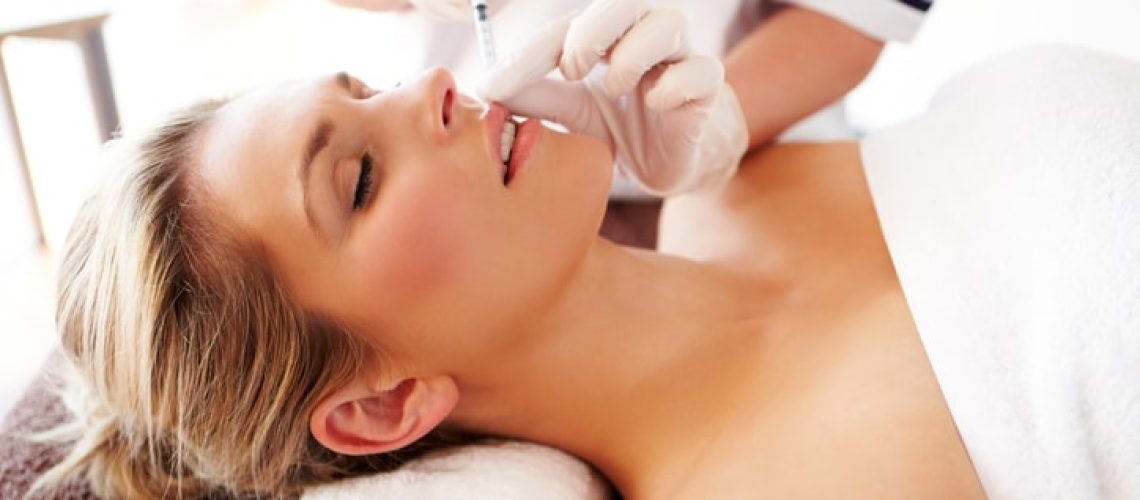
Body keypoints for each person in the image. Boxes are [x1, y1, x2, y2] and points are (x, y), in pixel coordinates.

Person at [34, 6, 1140, 500]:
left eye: (365, 87)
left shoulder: (729, 176)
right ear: (382, 406)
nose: (431, 87)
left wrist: (737, 112)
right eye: (357, 177)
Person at [330, 0, 932, 196]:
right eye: (358, 182)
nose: (425, 93)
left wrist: (724, 123)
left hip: (760, 155)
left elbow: (855, 16)